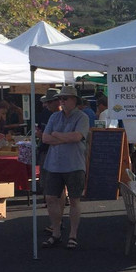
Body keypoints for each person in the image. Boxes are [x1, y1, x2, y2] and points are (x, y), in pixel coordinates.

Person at [41, 85, 89, 250]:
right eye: (60, 98)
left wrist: (56, 135)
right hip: (53, 164)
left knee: (74, 200)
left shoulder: (82, 117)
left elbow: (77, 136)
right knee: (50, 198)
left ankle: (73, 235)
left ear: (74, 100)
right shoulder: (54, 117)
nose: (61, 101)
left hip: (74, 164)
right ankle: (56, 232)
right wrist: (64, 138)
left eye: (65, 98)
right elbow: (45, 138)